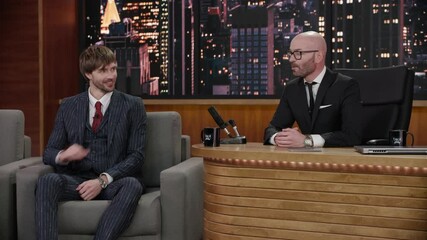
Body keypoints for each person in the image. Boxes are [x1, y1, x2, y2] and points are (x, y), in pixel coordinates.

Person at [35, 45, 146, 240]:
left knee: (133, 185)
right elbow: (49, 152)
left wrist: (102, 180)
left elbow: (136, 156)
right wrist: (64, 155)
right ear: (88, 74)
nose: (111, 75)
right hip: (77, 181)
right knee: (47, 181)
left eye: (113, 68)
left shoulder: (132, 105)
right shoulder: (69, 106)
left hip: (112, 182)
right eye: (103, 70)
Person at [264, 31, 362, 147]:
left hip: (338, 159)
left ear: (318, 56)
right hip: (305, 160)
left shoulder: (346, 86)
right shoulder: (292, 88)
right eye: (290, 53)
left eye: (298, 53)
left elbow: (352, 135)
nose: (291, 59)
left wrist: (307, 140)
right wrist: (278, 138)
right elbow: (273, 128)